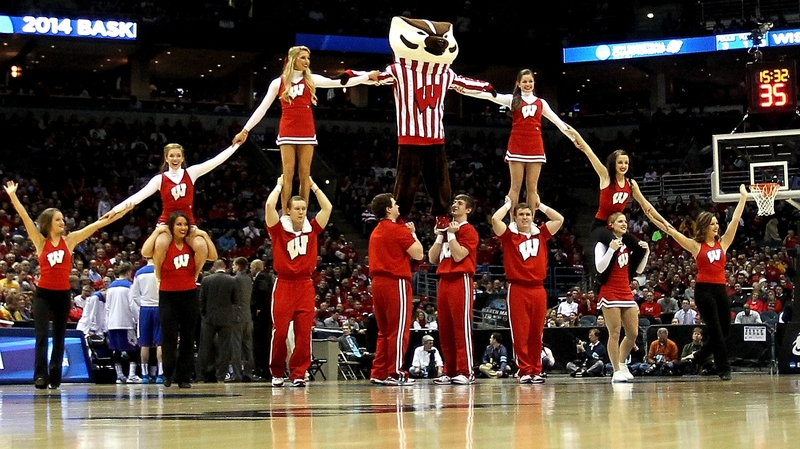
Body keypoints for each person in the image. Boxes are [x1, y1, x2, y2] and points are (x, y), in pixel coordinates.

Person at [3, 181, 131, 389]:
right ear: (48, 223)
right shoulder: (40, 242)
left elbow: (97, 224)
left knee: (59, 336)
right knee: (42, 336)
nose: (62, 222)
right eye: (58, 219)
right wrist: (13, 196)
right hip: (43, 294)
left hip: (63, 295)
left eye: (63, 219)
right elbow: (25, 217)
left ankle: (55, 375)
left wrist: (121, 211)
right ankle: (40, 375)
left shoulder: (70, 240)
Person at [233, 45, 378, 213]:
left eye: (308, 58)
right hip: (287, 129)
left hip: (307, 130)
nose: (306, 61)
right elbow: (262, 109)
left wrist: (367, 76)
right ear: (293, 59)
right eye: (302, 57)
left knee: (304, 174)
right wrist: (245, 130)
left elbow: (338, 82)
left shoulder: (311, 79)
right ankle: (286, 213)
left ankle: (302, 213)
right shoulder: (278, 83)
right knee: (287, 174)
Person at [649, 185, 747, 380]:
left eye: (717, 223)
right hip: (704, 291)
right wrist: (651, 215)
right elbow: (671, 231)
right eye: (712, 224)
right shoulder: (695, 245)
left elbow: (735, 219)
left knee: (725, 330)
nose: (716, 226)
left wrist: (743, 197)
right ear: (704, 227)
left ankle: (699, 357)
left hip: (720, 289)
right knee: (716, 331)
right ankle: (723, 369)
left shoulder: (723, 243)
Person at [104, 142, 240, 278]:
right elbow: (138, 196)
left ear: (182, 158)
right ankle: (159, 277)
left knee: (201, 247)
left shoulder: (191, 173)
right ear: (166, 158)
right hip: (166, 223)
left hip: (187, 224)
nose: (175, 159)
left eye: (178, 156)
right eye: (172, 156)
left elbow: (216, 160)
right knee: (160, 245)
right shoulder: (159, 179)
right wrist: (115, 210)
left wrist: (236, 145)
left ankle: (193, 277)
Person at [567, 128, 667, 283]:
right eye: (620, 162)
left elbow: (646, 205)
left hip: (617, 227)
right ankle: (601, 281)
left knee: (640, 249)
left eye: (626, 162)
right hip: (600, 226)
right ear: (613, 163)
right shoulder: (606, 176)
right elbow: (589, 152)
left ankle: (626, 280)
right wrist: (576, 135)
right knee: (616, 246)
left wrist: (664, 223)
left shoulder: (631, 184)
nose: (623, 165)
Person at [461, 69, 572, 209]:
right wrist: (465, 91)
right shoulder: (512, 99)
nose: (528, 84)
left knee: (532, 188)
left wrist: (573, 137)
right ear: (518, 83)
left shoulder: (541, 103)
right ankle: (513, 219)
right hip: (517, 144)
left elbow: (558, 122)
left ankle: (530, 219)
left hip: (535, 146)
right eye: (524, 81)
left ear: (534, 83)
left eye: (530, 81)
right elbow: (488, 96)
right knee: (515, 187)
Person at [265, 175, 332, 387]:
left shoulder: (312, 229)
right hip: (284, 284)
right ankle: (277, 371)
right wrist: (278, 185)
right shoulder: (278, 229)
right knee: (280, 331)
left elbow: (327, 207)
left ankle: (298, 373)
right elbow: (269, 206)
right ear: (288, 210)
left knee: (304, 333)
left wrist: (312, 185)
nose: (301, 212)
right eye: (297, 208)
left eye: (303, 208)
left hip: (304, 285)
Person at [491, 195, 563, 384]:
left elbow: (559, 219)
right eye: (521, 214)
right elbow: (495, 220)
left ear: (533, 216)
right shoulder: (509, 236)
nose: (525, 217)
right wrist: (508, 205)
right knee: (520, 333)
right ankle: (524, 370)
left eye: (528, 214)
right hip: (517, 288)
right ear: (515, 217)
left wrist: (541, 206)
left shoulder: (541, 233)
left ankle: (535, 370)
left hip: (538, 288)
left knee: (536, 333)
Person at [142, 210, 218, 388]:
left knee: (187, 337)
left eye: (185, 224)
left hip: (189, 294)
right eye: (178, 224)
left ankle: (184, 377)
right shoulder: (164, 245)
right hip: (167, 295)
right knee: (168, 337)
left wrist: (204, 235)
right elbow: (145, 252)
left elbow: (213, 256)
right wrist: (157, 231)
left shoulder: (192, 246)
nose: (183, 228)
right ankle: (168, 374)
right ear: (171, 226)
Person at [368, 193, 424, 386]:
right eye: (394, 204)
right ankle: (395, 372)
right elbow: (418, 253)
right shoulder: (397, 229)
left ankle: (379, 371)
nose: (398, 207)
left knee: (384, 331)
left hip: (377, 283)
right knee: (398, 330)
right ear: (388, 209)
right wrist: (413, 233)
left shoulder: (376, 230)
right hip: (396, 281)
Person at [427, 194, 479, 385]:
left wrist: (450, 234)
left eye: (460, 203)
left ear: (468, 210)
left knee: (460, 327)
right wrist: (441, 235)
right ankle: (449, 370)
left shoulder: (469, 231)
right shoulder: (447, 229)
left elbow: (458, 256)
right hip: (444, 280)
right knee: (445, 328)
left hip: (460, 279)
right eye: (454, 202)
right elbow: (432, 258)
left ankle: (466, 371)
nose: (455, 205)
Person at [594, 212, 650, 383]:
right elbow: (600, 268)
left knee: (633, 333)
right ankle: (616, 371)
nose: (624, 224)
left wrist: (646, 253)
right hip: (610, 292)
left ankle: (621, 362)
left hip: (625, 290)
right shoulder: (602, 244)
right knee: (615, 332)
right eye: (620, 221)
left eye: (625, 221)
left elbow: (638, 270)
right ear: (611, 225)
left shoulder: (628, 244)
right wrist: (611, 249)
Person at [198, 259, 239, 383]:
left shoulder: (206, 280)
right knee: (224, 348)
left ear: (213, 267)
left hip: (209, 317)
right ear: (224, 267)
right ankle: (221, 375)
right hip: (226, 318)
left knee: (205, 347)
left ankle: (202, 375)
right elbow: (235, 300)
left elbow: (201, 299)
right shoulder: (232, 280)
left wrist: (204, 314)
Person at [132, 258, 164, 384]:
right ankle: (160, 374)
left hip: (145, 308)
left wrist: (143, 303)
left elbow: (134, 295)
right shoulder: (161, 270)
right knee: (160, 342)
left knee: (144, 343)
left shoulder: (139, 273)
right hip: (160, 307)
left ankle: (144, 375)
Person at [231, 257, 255, 382]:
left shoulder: (235, 279)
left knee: (236, 346)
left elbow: (233, 298)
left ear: (238, 266)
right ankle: (248, 373)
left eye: (234, 265)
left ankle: (236, 374)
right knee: (248, 347)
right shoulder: (249, 279)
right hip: (247, 316)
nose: (232, 267)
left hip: (237, 316)